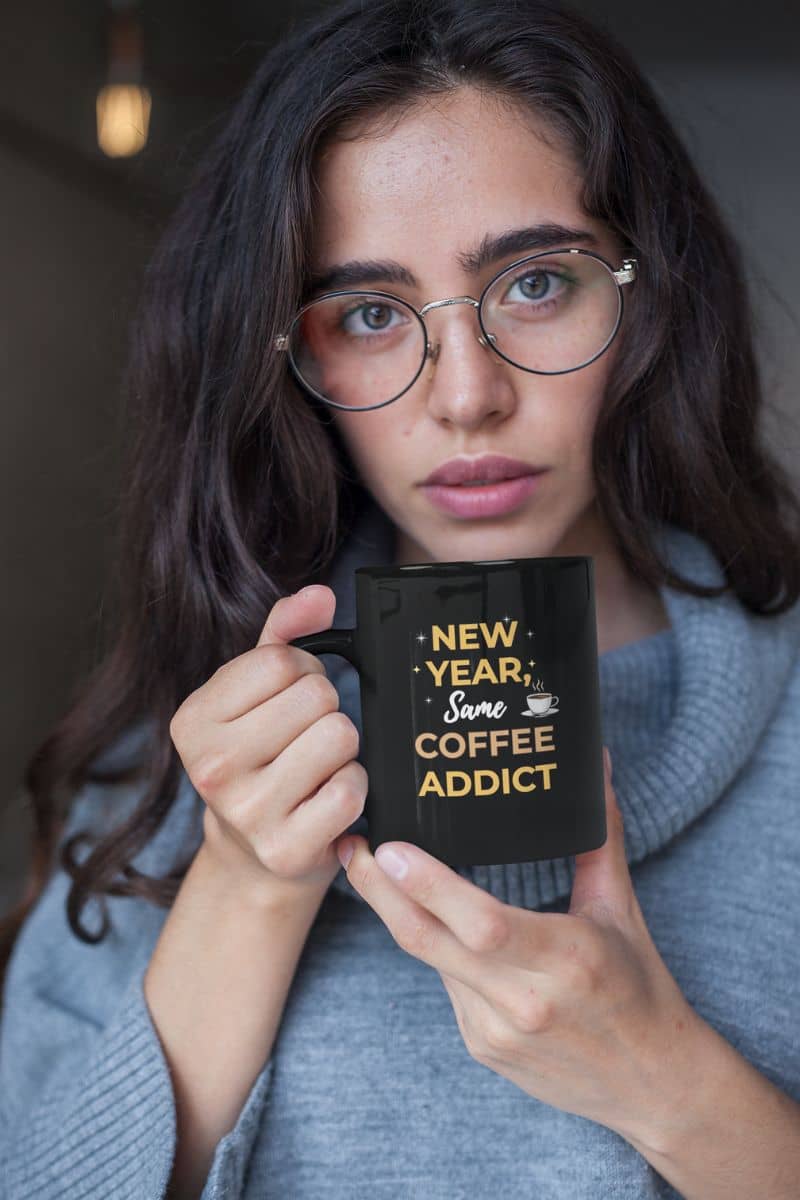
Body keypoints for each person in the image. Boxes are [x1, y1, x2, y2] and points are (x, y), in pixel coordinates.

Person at [2, 0, 799, 1196]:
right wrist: (244, 888)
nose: (464, 395)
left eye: (535, 284)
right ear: (290, 360)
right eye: (369, 316)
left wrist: (669, 1085)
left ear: (646, 298)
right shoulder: (172, 763)